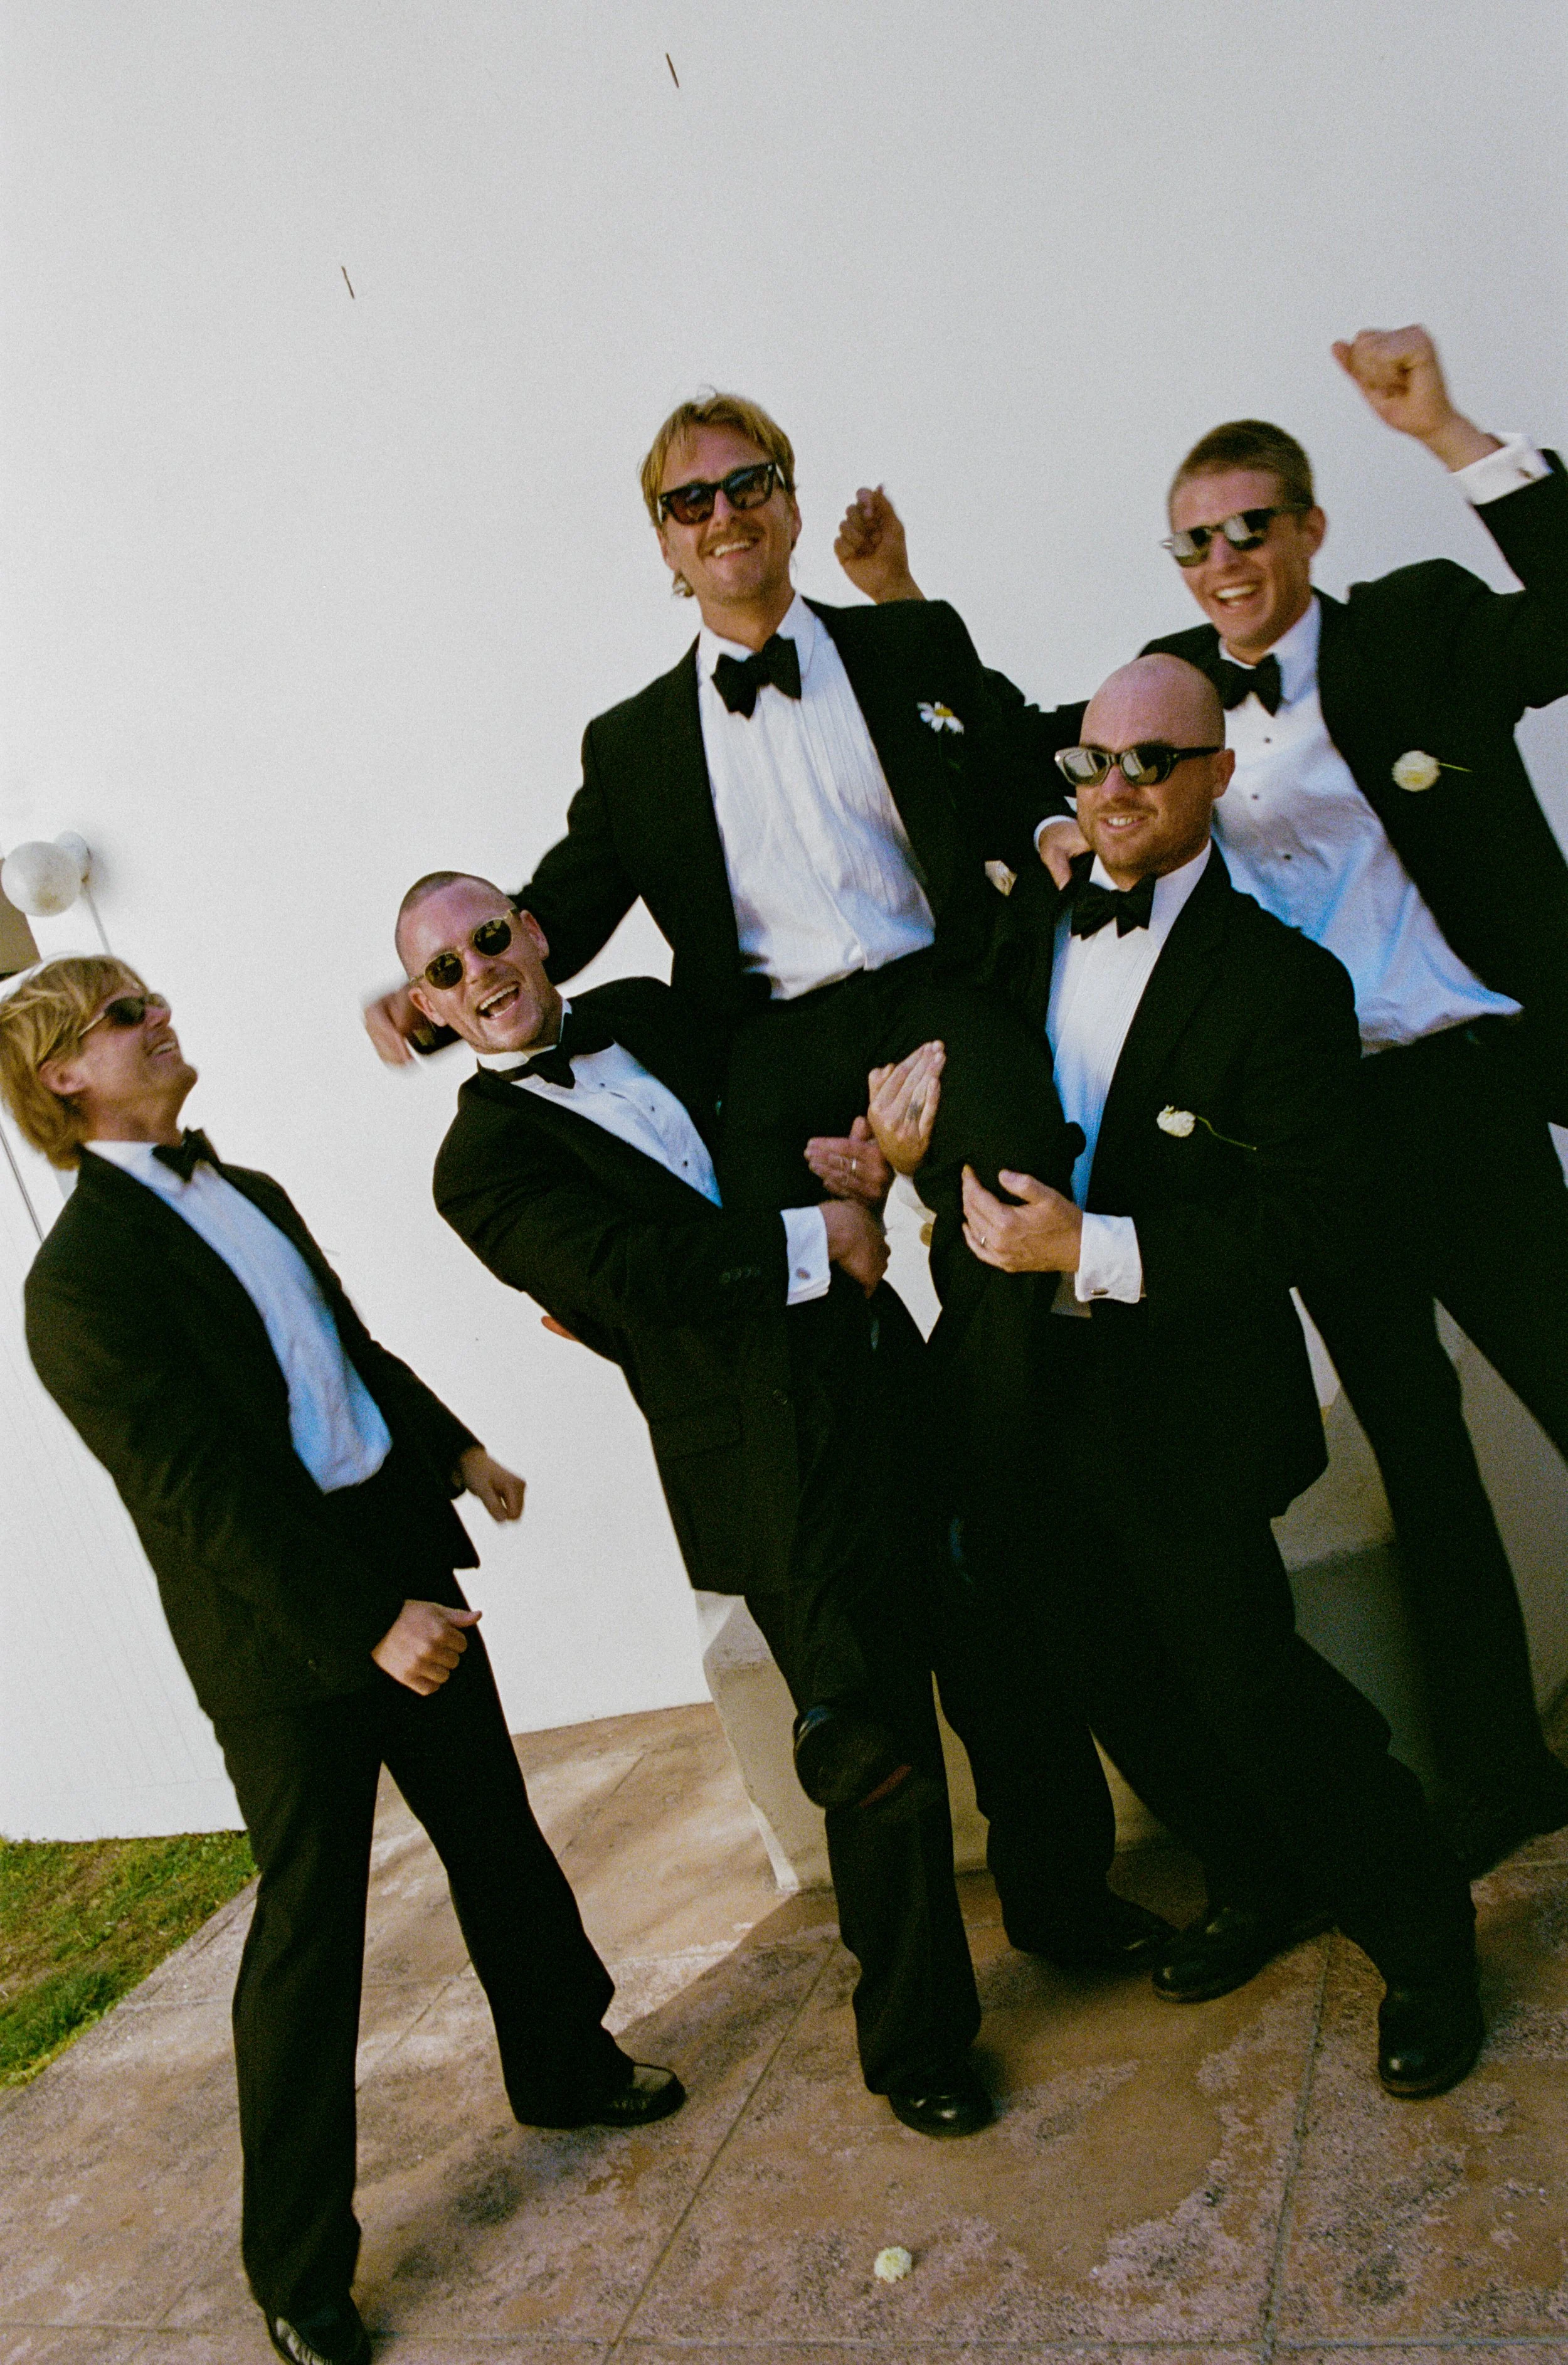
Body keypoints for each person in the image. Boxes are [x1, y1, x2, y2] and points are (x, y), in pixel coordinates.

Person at [839, 325, 1568, 1878]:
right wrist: (910, 616)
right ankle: (1501, 1771)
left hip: (1459, 1089)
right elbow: (1042, 737)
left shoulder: (1415, 634)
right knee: (1418, 1447)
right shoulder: (1175, 722)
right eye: (1196, 538)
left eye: (1254, 525)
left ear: (1307, 528)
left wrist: (1448, 434)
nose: (1226, 557)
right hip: (1321, 1129)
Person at [393, 866, 1189, 2137]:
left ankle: (1063, 1901)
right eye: (445, 970)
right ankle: (917, 2039)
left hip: (884, 1374)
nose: (481, 974)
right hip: (762, 1462)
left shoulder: (651, 1011)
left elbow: (778, 1110)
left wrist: (860, 1156)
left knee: (1007, 1645)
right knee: (872, 1747)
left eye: (491, 939)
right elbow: (638, 1275)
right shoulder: (477, 1165)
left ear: (535, 933)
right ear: (427, 1007)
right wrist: (822, 1234)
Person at [2, 957, 684, 2365]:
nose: (160, 1015)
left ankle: (565, 2066)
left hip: (403, 1568)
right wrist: (366, 1622)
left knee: (496, 1833)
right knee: (313, 1935)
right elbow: (196, 1491)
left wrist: (453, 1449)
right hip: (289, 1647)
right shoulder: (75, 1283)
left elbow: (343, 1350)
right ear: (63, 1075)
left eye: (149, 998)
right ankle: (298, 2269)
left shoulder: (245, 1190)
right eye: (125, 1016)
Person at [944, 654, 1481, 2096]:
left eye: (1148, 762)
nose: (1113, 789)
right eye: (1091, 763)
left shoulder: (1281, 983)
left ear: (1214, 772)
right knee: (1112, 1675)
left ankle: (1426, 1939)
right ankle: (1254, 1877)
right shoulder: (1026, 933)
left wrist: (1094, 1245)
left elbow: (1309, 1216)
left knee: (1247, 1683)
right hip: (1019, 1389)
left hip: (1174, 1393)